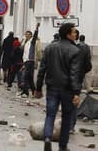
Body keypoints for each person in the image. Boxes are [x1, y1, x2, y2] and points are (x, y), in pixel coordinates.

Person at [36, 23, 82, 151]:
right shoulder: (75, 51)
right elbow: (74, 74)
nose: (75, 34)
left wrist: (38, 87)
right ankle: (62, 146)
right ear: (68, 34)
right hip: (67, 89)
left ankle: (47, 138)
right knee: (66, 117)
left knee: (50, 114)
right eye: (73, 32)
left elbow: (42, 69)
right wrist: (76, 92)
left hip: (52, 87)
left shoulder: (50, 48)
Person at [69, 34, 92, 133]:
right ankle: (71, 126)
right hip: (78, 78)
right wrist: (83, 71)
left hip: (69, 78)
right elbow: (88, 63)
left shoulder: (75, 47)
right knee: (74, 102)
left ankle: (66, 125)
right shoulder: (86, 47)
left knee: (68, 103)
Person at [20, 23, 40, 98]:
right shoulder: (25, 42)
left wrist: (36, 28)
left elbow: (35, 37)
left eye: (29, 34)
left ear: (31, 36)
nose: (27, 35)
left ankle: (25, 92)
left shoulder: (32, 42)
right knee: (29, 77)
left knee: (25, 77)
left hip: (30, 61)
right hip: (26, 61)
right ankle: (33, 91)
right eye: (26, 34)